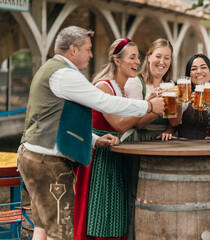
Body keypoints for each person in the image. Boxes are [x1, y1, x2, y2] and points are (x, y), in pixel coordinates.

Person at [17, 26, 164, 240]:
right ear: (74, 50)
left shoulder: (51, 68)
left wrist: (94, 140)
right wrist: (148, 107)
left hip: (34, 156)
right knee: (61, 234)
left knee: (44, 229)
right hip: (48, 164)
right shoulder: (64, 74)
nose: (92, 55)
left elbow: (62, 119)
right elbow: (103, 101)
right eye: (88, 49)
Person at [74, 38, 146, 240]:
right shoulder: (104, 86)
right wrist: (148, 106)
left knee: (114, 213)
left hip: (115, 151)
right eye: (132, 57)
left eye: (138, 57)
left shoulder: (122, 88)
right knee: (102, 214)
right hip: (100, 155)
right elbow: (120, 125)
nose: (137, 62)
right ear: (117, 61)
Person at [124, 38, 176, 239]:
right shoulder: (136, 82)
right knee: (137, 194)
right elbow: (138, 122)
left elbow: (175, 121)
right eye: (158, 56)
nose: (162, 62)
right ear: (149, 57)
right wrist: (154, 104)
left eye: (167, 58)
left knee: (161, 194)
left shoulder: (170, 85)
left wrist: (172, 125)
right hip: (140, 142)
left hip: (163, 145)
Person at [167, 53, 210, 140]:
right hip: (187, 150)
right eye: (194, 69)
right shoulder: (183, 97)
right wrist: (169, 131)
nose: (199, 71)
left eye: (203, 67)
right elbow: (174, 123)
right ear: (189, 75)